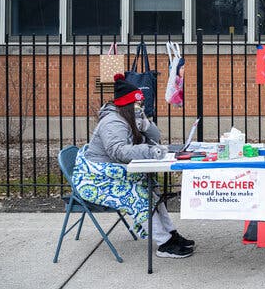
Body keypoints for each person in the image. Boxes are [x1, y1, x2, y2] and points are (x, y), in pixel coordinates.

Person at [72, 74, 195, 258]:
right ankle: (164, 243)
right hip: (95, 181)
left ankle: (171, 234)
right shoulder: (112, 122)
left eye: (141, 106)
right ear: (128, 105)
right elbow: (119, 152)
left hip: (112, 175)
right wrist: (149, 151)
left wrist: (145, 123)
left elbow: (155, 136)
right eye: (138, 106)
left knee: (150, 189)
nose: (140, 108)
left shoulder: (128, 118)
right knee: (138, 194)